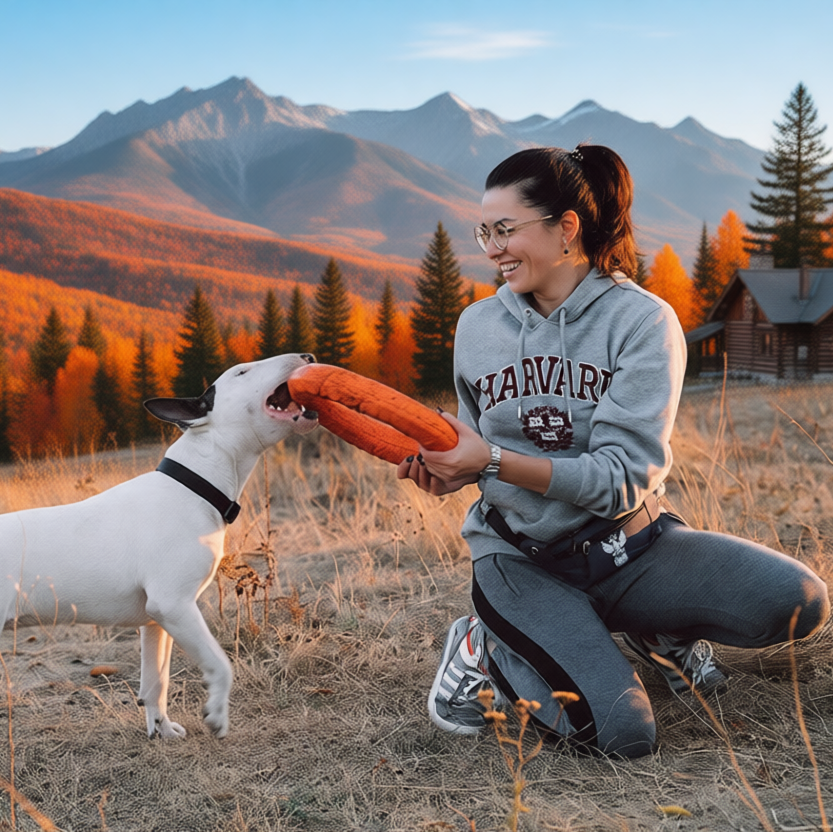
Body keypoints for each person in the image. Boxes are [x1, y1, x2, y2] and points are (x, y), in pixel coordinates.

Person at [397, 146, 829, 758]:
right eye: (483, 231)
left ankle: (657, 628)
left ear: (566, 226)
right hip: (522, 561)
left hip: (632, 546)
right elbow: (475, 447)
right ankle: (486, 646)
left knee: (798, 601)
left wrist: (488, 463)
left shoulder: (642, 322)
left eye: (504, 229)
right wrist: (447, 473)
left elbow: (623, 479)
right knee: (622, 734)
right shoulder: (477, 326)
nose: (490, 247)